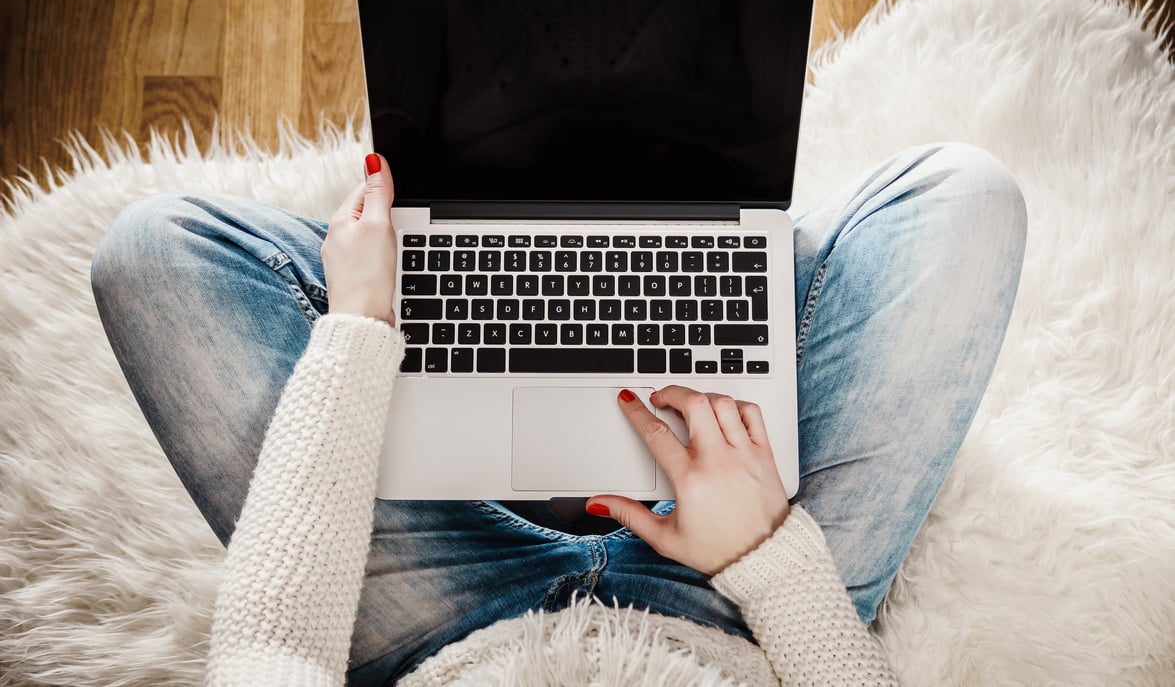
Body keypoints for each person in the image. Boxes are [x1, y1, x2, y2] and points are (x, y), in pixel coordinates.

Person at [91, 143, 1026, 685]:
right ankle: (708, 267)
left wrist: (360, 327)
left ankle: (621, 268)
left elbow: (273, 646)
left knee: (154, 254)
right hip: (731, 618)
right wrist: (766, 555)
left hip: (434, 631)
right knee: (964, 197)